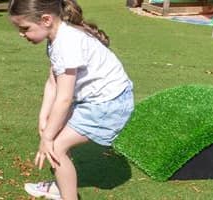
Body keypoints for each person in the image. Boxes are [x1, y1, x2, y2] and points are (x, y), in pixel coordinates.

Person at [8, 0, 134, 199]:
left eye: (25, 28)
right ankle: (62, 185)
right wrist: (44, 117)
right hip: (98, 99)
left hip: (109, 104)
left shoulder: (66, 43)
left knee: (56, 147)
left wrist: (48, 137)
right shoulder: (56, 36)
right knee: (55, 133)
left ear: (46, 20)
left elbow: (64, 98)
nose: (21, 34)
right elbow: (53, 82)